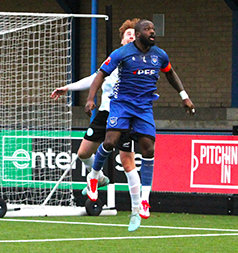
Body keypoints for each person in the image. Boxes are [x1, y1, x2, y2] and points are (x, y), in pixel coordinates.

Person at [84, 19, 195, 232]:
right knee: (110, 141)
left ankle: (144, 199)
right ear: (137, 34)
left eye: (153, 29)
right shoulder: (122, 53)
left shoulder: (159, 55)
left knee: (149, 148)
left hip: (144, 107)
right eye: (147, 29)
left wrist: (184, 96)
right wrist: (90, 99)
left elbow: (170, 73)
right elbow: (100, 74)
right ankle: (94, 176)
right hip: (122, 104)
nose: (152, 32)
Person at [51, 19, 142, 206]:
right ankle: (98, 177)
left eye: (135, 35)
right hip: (105, 113)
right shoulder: (114, 59)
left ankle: (139, 204)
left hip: (125, 115)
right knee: (83, 153)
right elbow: (95, 78)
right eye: (128, 34)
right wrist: (68, 88)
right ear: (122, 40)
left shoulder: (142, 61)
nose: (131, 37)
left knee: (127, 162)